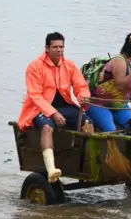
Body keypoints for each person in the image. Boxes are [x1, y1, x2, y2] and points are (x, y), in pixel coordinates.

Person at [18, 32, 94, 183]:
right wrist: (53, 113)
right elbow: (35, 96)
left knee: (88, 123)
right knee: (47, 128)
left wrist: (83, 97)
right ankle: (51, 169)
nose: (59, 50)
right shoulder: (35, 67)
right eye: (55, 47)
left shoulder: (69, 65)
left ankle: (90, 163)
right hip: (38, 109)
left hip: (64, 106)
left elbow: (81, 86)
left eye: (61, 47)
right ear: (46, 48)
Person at [85, 33, 131, 132]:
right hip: (99, 104)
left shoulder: (129, 65)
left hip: (120, 106)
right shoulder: (119, 62)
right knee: (111, 130)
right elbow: (120, 84)